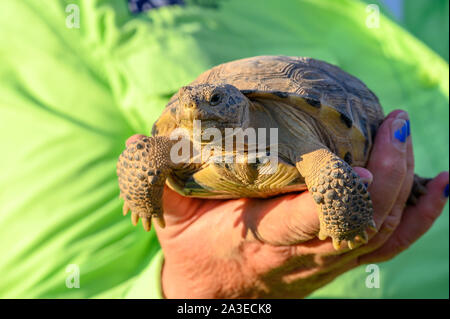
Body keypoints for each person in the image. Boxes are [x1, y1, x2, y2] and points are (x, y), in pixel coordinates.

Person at [147, 109, 448, 298]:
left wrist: (346, 216)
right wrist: (195, 289)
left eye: (213, 100)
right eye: (187, 104)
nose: (195, 108)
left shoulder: (293, 133)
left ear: (237, 104)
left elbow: (326, 168)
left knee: (351, 187)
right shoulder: (181, 142)